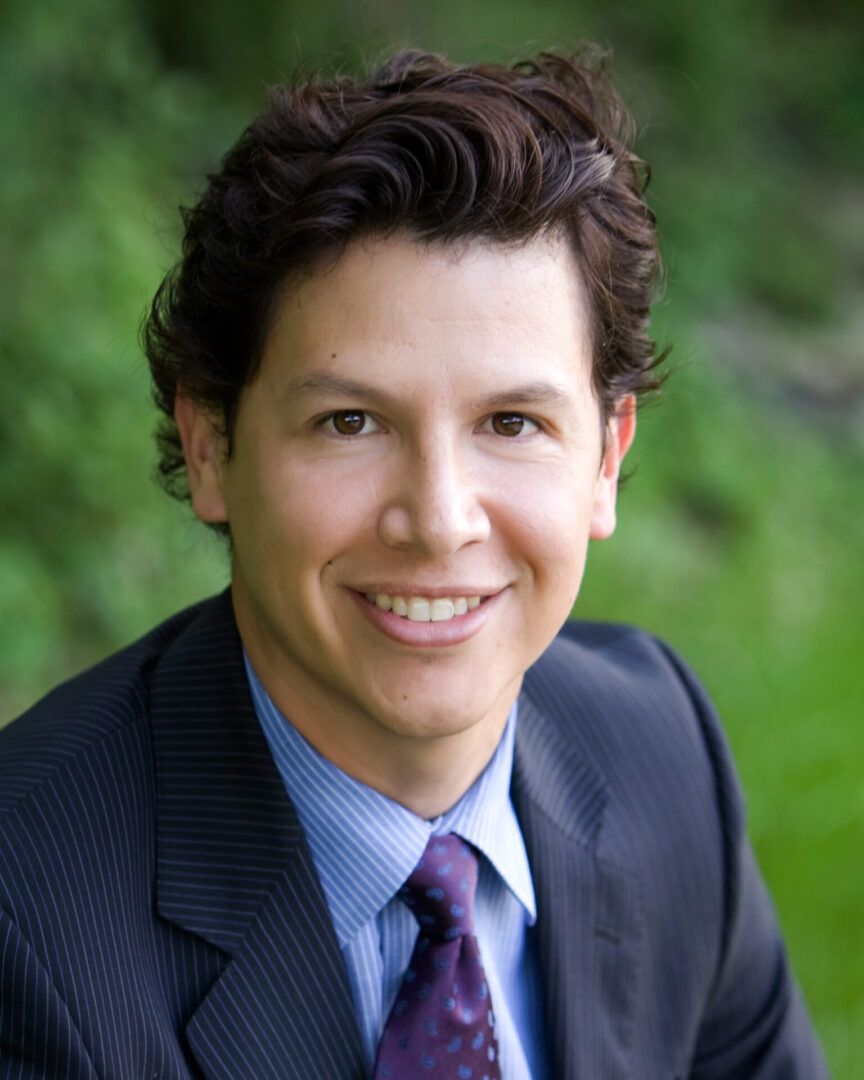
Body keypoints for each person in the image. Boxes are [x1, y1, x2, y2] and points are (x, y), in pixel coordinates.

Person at [0, 49, 828, 1079]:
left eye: (512, 422)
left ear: (607, 460)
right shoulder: (24, 918)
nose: (438, 521)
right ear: (212, 446)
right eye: (349, 421)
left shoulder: (661, 753)